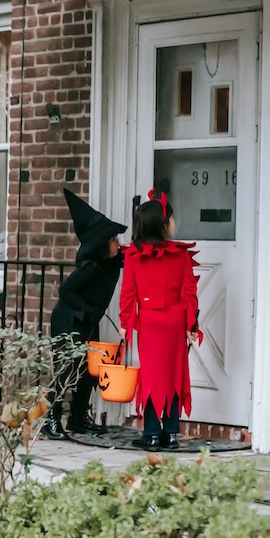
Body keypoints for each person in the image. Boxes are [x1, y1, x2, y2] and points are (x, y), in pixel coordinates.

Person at [119, 189, 202, 451]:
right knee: (174, 374)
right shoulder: (181, 255)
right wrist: (191, 325)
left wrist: (125, 325)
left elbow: (128, 293)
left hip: (150, 323)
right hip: (175, 320)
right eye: (172, 218)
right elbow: (190, 292)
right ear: (163, 224)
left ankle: (152, 434)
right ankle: (171, 434)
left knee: (153, 376)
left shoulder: (133, 256)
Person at [43, 189, 127, 440]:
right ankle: (51, 419)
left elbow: (128, 256)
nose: (118, 243)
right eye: (113, 239)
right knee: (66, 370)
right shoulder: (90, 268)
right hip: (69, 321)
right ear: (102, 244)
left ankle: (79, 418)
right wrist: (87, 311)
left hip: (88, 322)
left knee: (89, 371)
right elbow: (66, 290)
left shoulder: (110, 262)